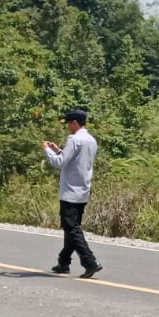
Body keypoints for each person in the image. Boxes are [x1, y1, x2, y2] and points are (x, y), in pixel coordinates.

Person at [42, 107, 102, 279]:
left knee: (71, 228)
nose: (67, 126)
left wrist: (47, 149)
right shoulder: (91, 140)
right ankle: (64, 261)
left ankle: (90, 262)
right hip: (83, 190)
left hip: (70, 191)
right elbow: (73, 160)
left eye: (68, 123)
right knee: (71, 227)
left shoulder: (74, 140)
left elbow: (60, 163)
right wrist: (57, 149)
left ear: (75, 123)